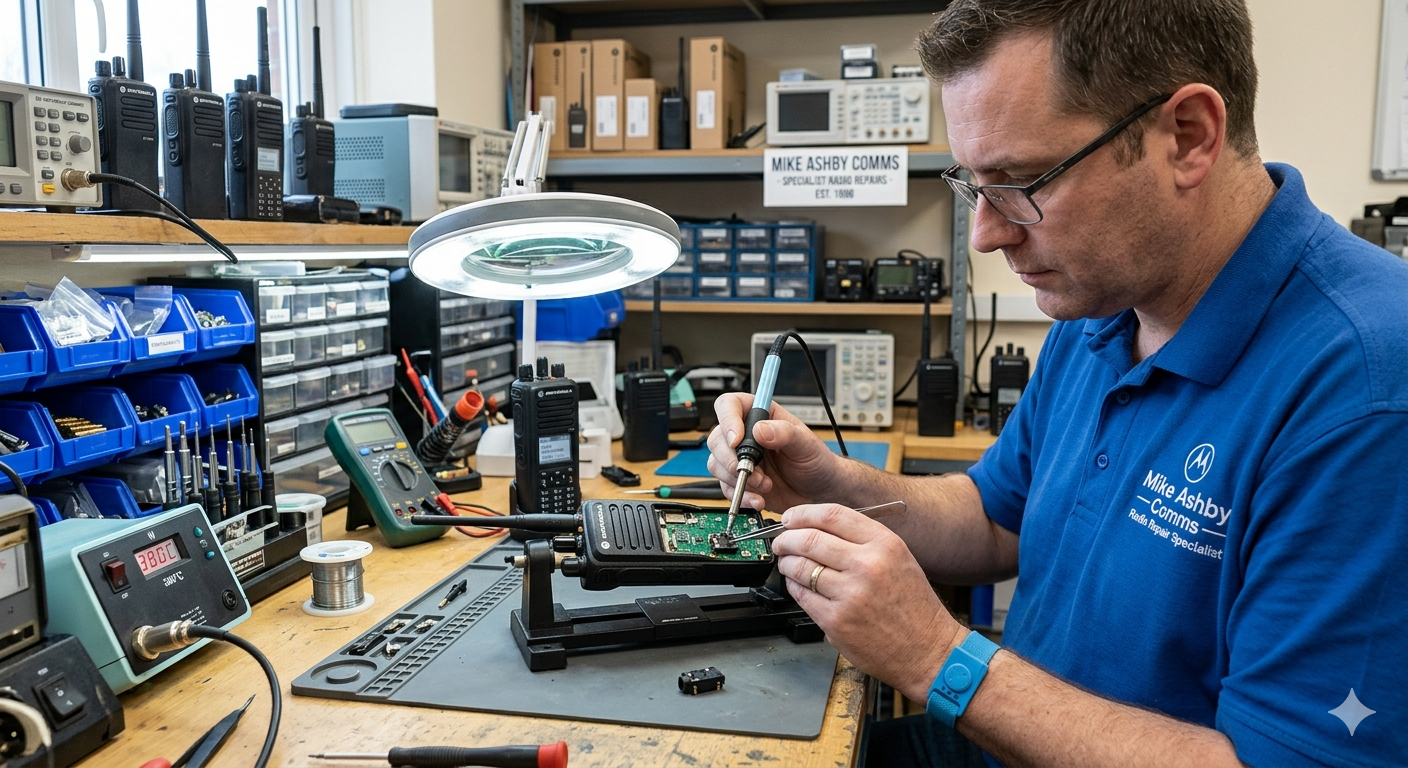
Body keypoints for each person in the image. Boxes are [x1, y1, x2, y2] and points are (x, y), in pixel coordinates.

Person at [706, 1, 1408, 765]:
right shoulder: (1103, 301)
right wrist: (829, 482)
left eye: (1023, 180)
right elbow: (995, 518)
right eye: (976, 184)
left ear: (1189, 136)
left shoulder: (1366, 388)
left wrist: (935, 656)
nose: (988, 232)